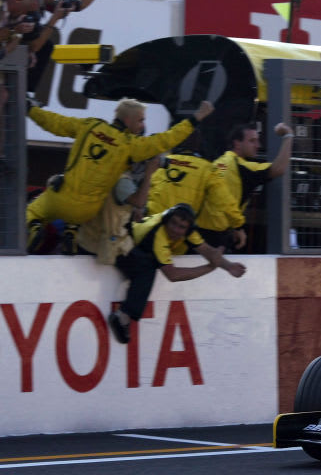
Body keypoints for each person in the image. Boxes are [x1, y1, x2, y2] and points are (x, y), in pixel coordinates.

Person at [26, 98, 214, 254]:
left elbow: (54, 122)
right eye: (140, 120)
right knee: (79, 212)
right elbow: (167, 139)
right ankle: (71, 231)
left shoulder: (90, 126)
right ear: (127, 120)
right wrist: (196, 118)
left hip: (61, 199)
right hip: (88, 212)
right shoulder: (131, 145)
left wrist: (30, 110)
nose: (143, 125)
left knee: (33, 211)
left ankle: (34, 228)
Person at [107, 203, 247, 344]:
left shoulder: (188, 231)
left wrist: (228, 266)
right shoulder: (158, 235)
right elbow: (172, 275)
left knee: (148, 264)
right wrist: (209, 268)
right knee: (147, 269)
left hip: (133, 243)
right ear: (167, 220)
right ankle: (122, 316)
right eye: (173, 223)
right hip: (120, 244)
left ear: (188, 229)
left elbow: (205, 249)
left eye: (181, 227)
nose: (175, 230)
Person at [195, 121, 295, 250]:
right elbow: (279, 169)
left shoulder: (220, 163)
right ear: (237, 143)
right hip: (216, 236)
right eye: (252, 141)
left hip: (200, 231)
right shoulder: (241, 167)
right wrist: (288, 136)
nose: (258, 145)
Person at [147, 131, 247, 247]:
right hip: (178, 236)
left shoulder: (161, 162)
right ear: (199, 145)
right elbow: (224, 200)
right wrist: (239, 225)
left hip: (151, 229)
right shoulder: (207, 169)